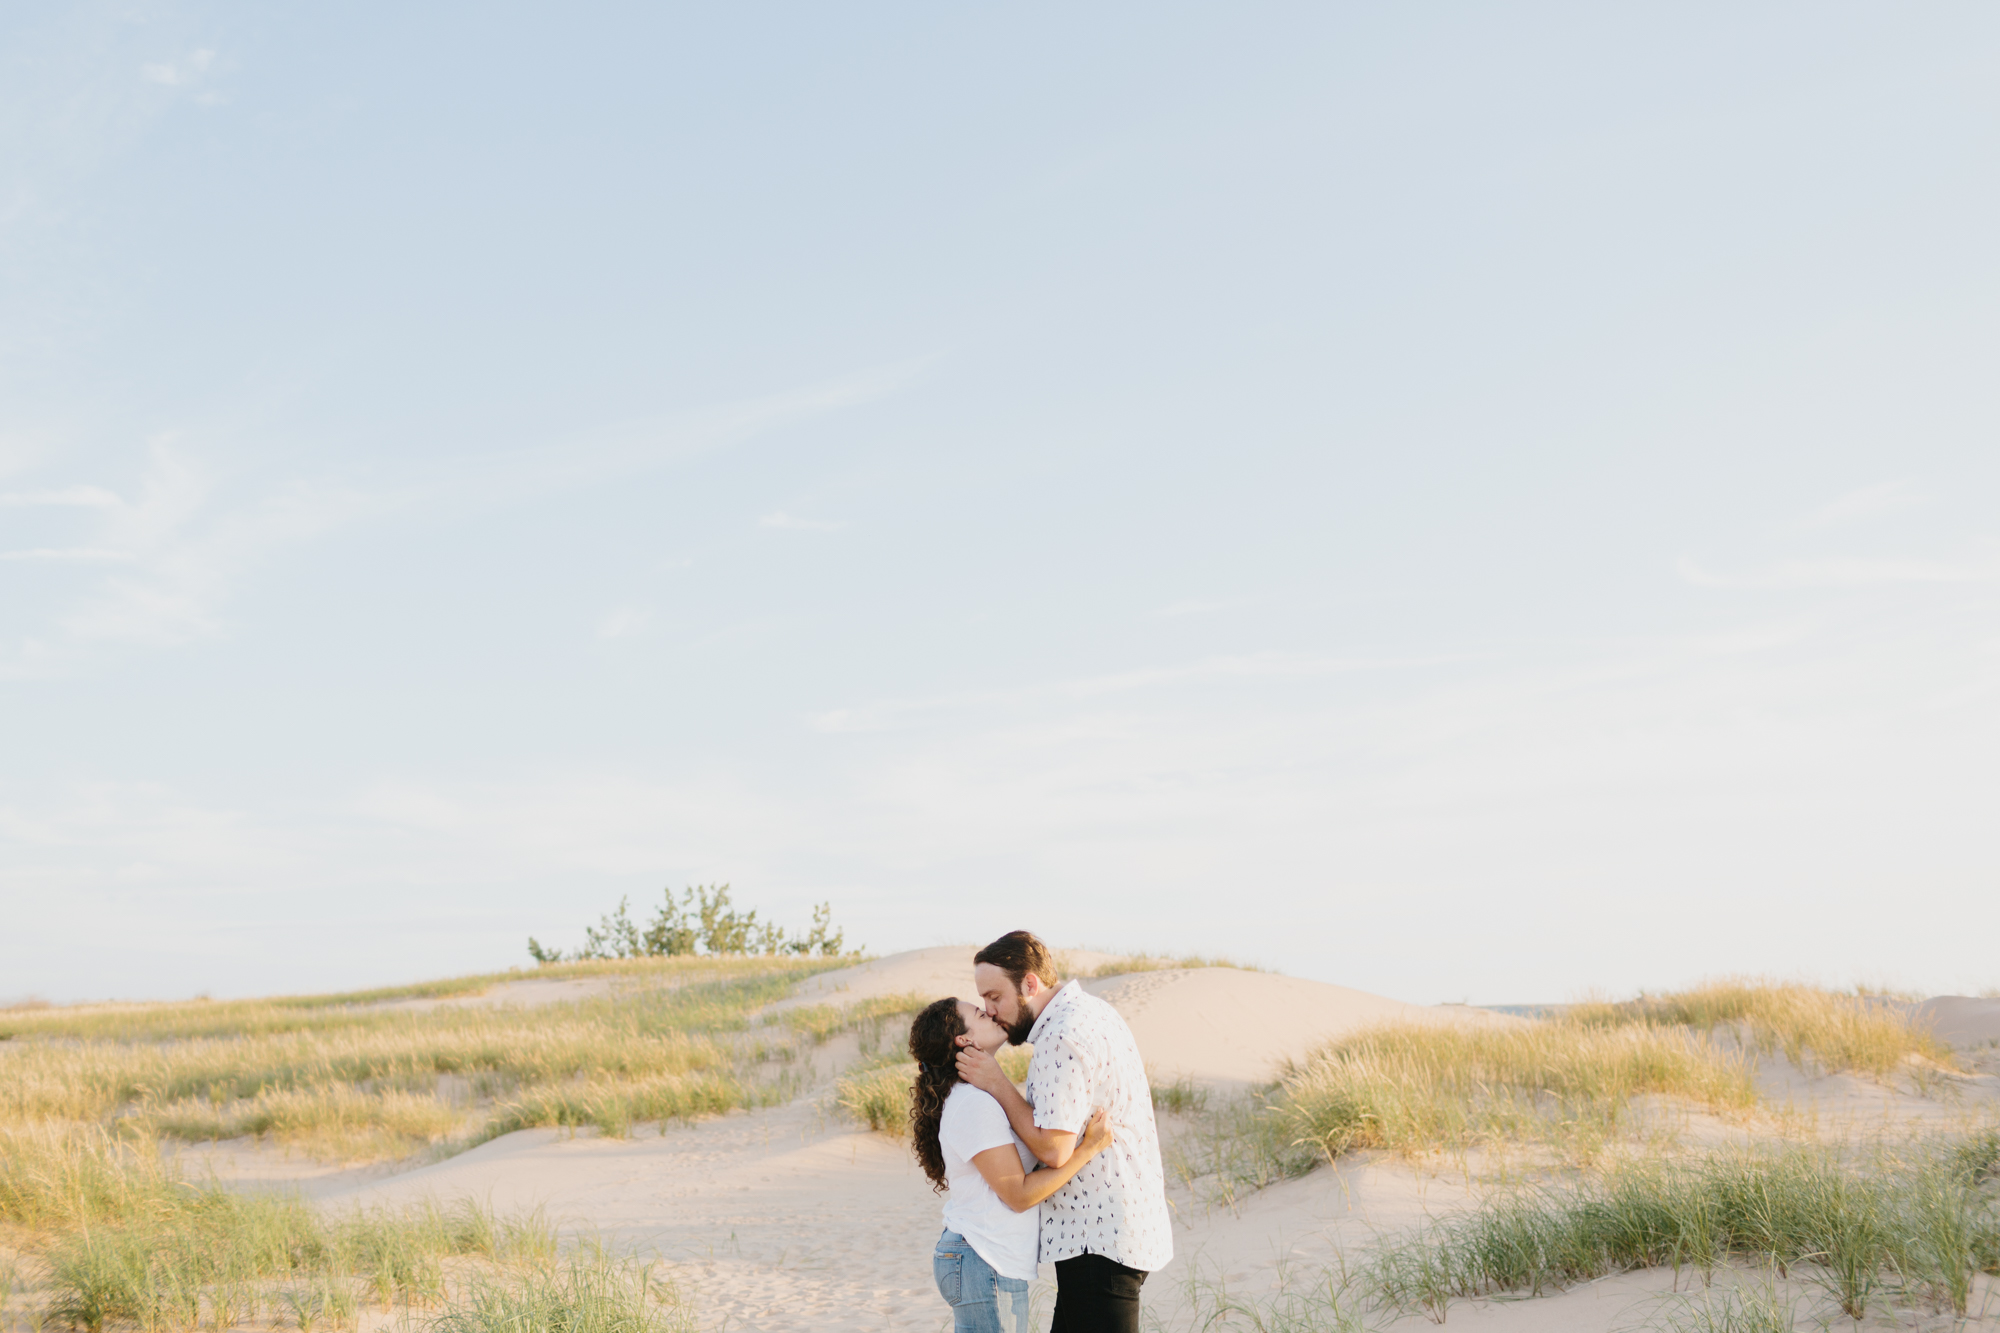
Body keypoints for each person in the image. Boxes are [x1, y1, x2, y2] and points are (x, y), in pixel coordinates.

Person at [954, 931, 1173, 1333]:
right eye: (983, 1001)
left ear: (1029, 984)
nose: (990, 1010)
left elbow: (1054, 1149)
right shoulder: (1094, 1011)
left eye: (995, 997)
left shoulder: (1061, 1036)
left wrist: (997, 1082)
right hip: (1113, 1233)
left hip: (1098, 1241)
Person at [909, 996, 1115, 1333]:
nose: (989, 1012)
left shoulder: (982, 1097)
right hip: (981, 1257)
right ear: (964, 1040)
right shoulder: (974, 1104)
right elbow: (1017, 1194)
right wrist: (1087, 1150)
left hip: (985, 1258)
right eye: (979, 1013)